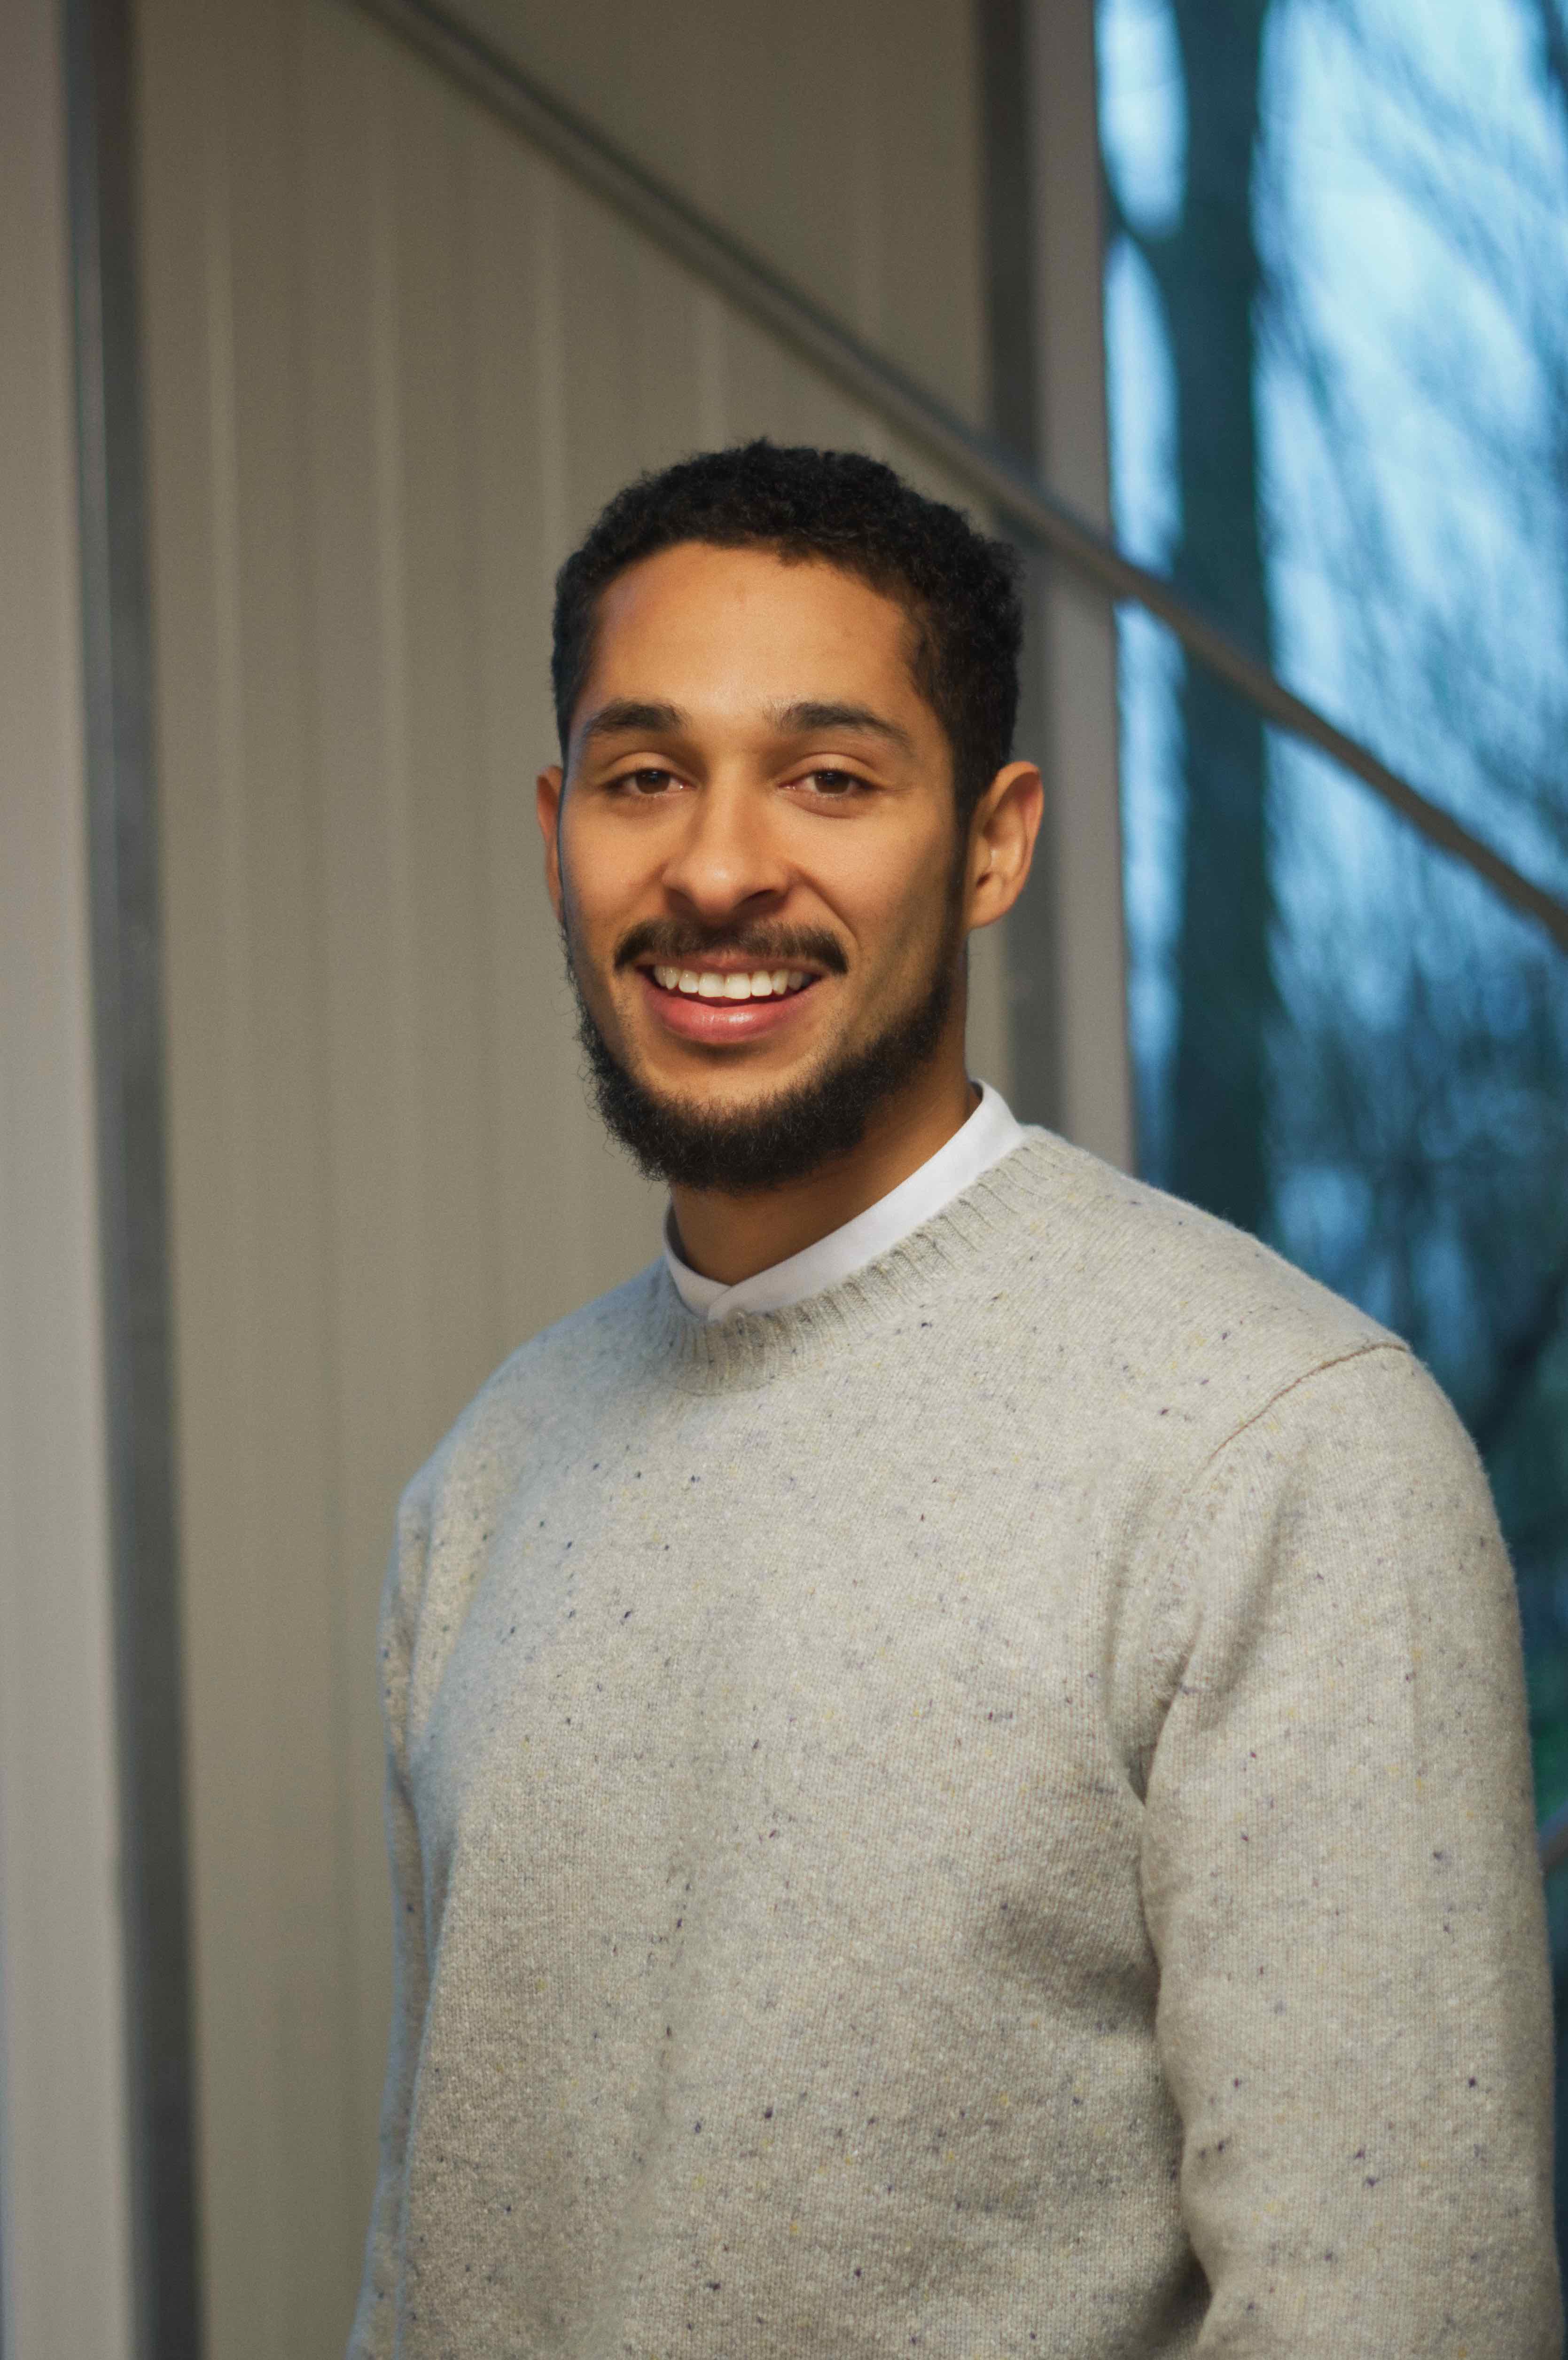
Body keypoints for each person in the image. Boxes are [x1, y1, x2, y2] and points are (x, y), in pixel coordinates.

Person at [349, 442, 1559, 2358]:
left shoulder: (1278, 1443)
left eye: (830, 776)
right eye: (643, 773)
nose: (720, 862)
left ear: (992, 840)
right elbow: (430, 2267)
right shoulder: (485, 1483)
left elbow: (1402, 2313)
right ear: (555, 822)